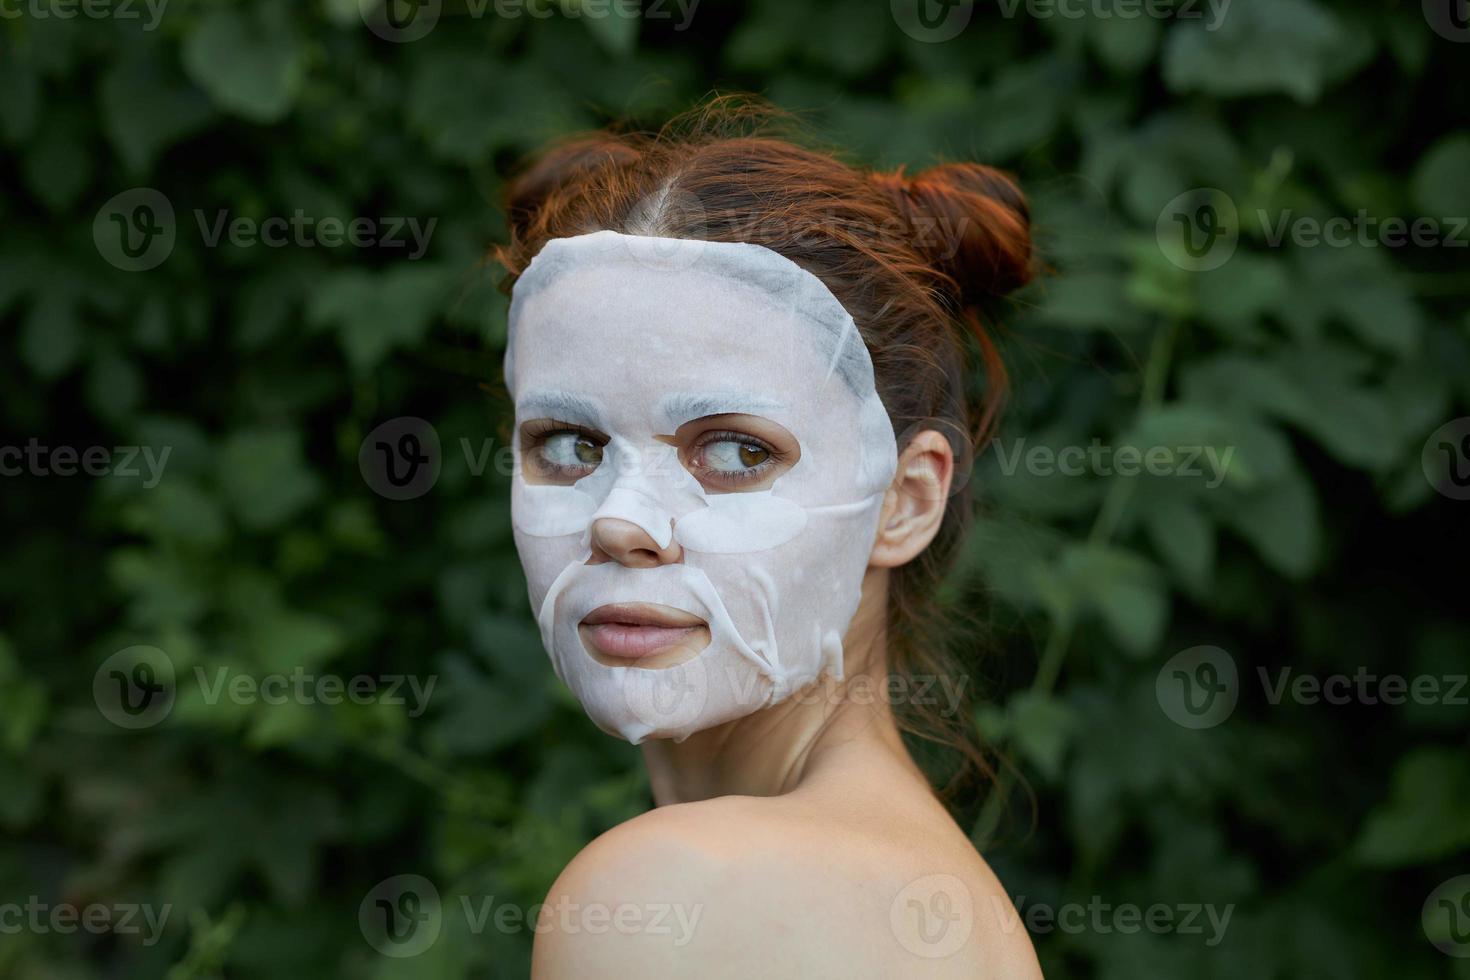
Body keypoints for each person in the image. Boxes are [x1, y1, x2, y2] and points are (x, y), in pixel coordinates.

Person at [495, 97, 1043, 979]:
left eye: (738, 452)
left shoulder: (684, 891)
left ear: (904, 501)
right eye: (569, 445)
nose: (619, 521)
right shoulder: (940, 899)